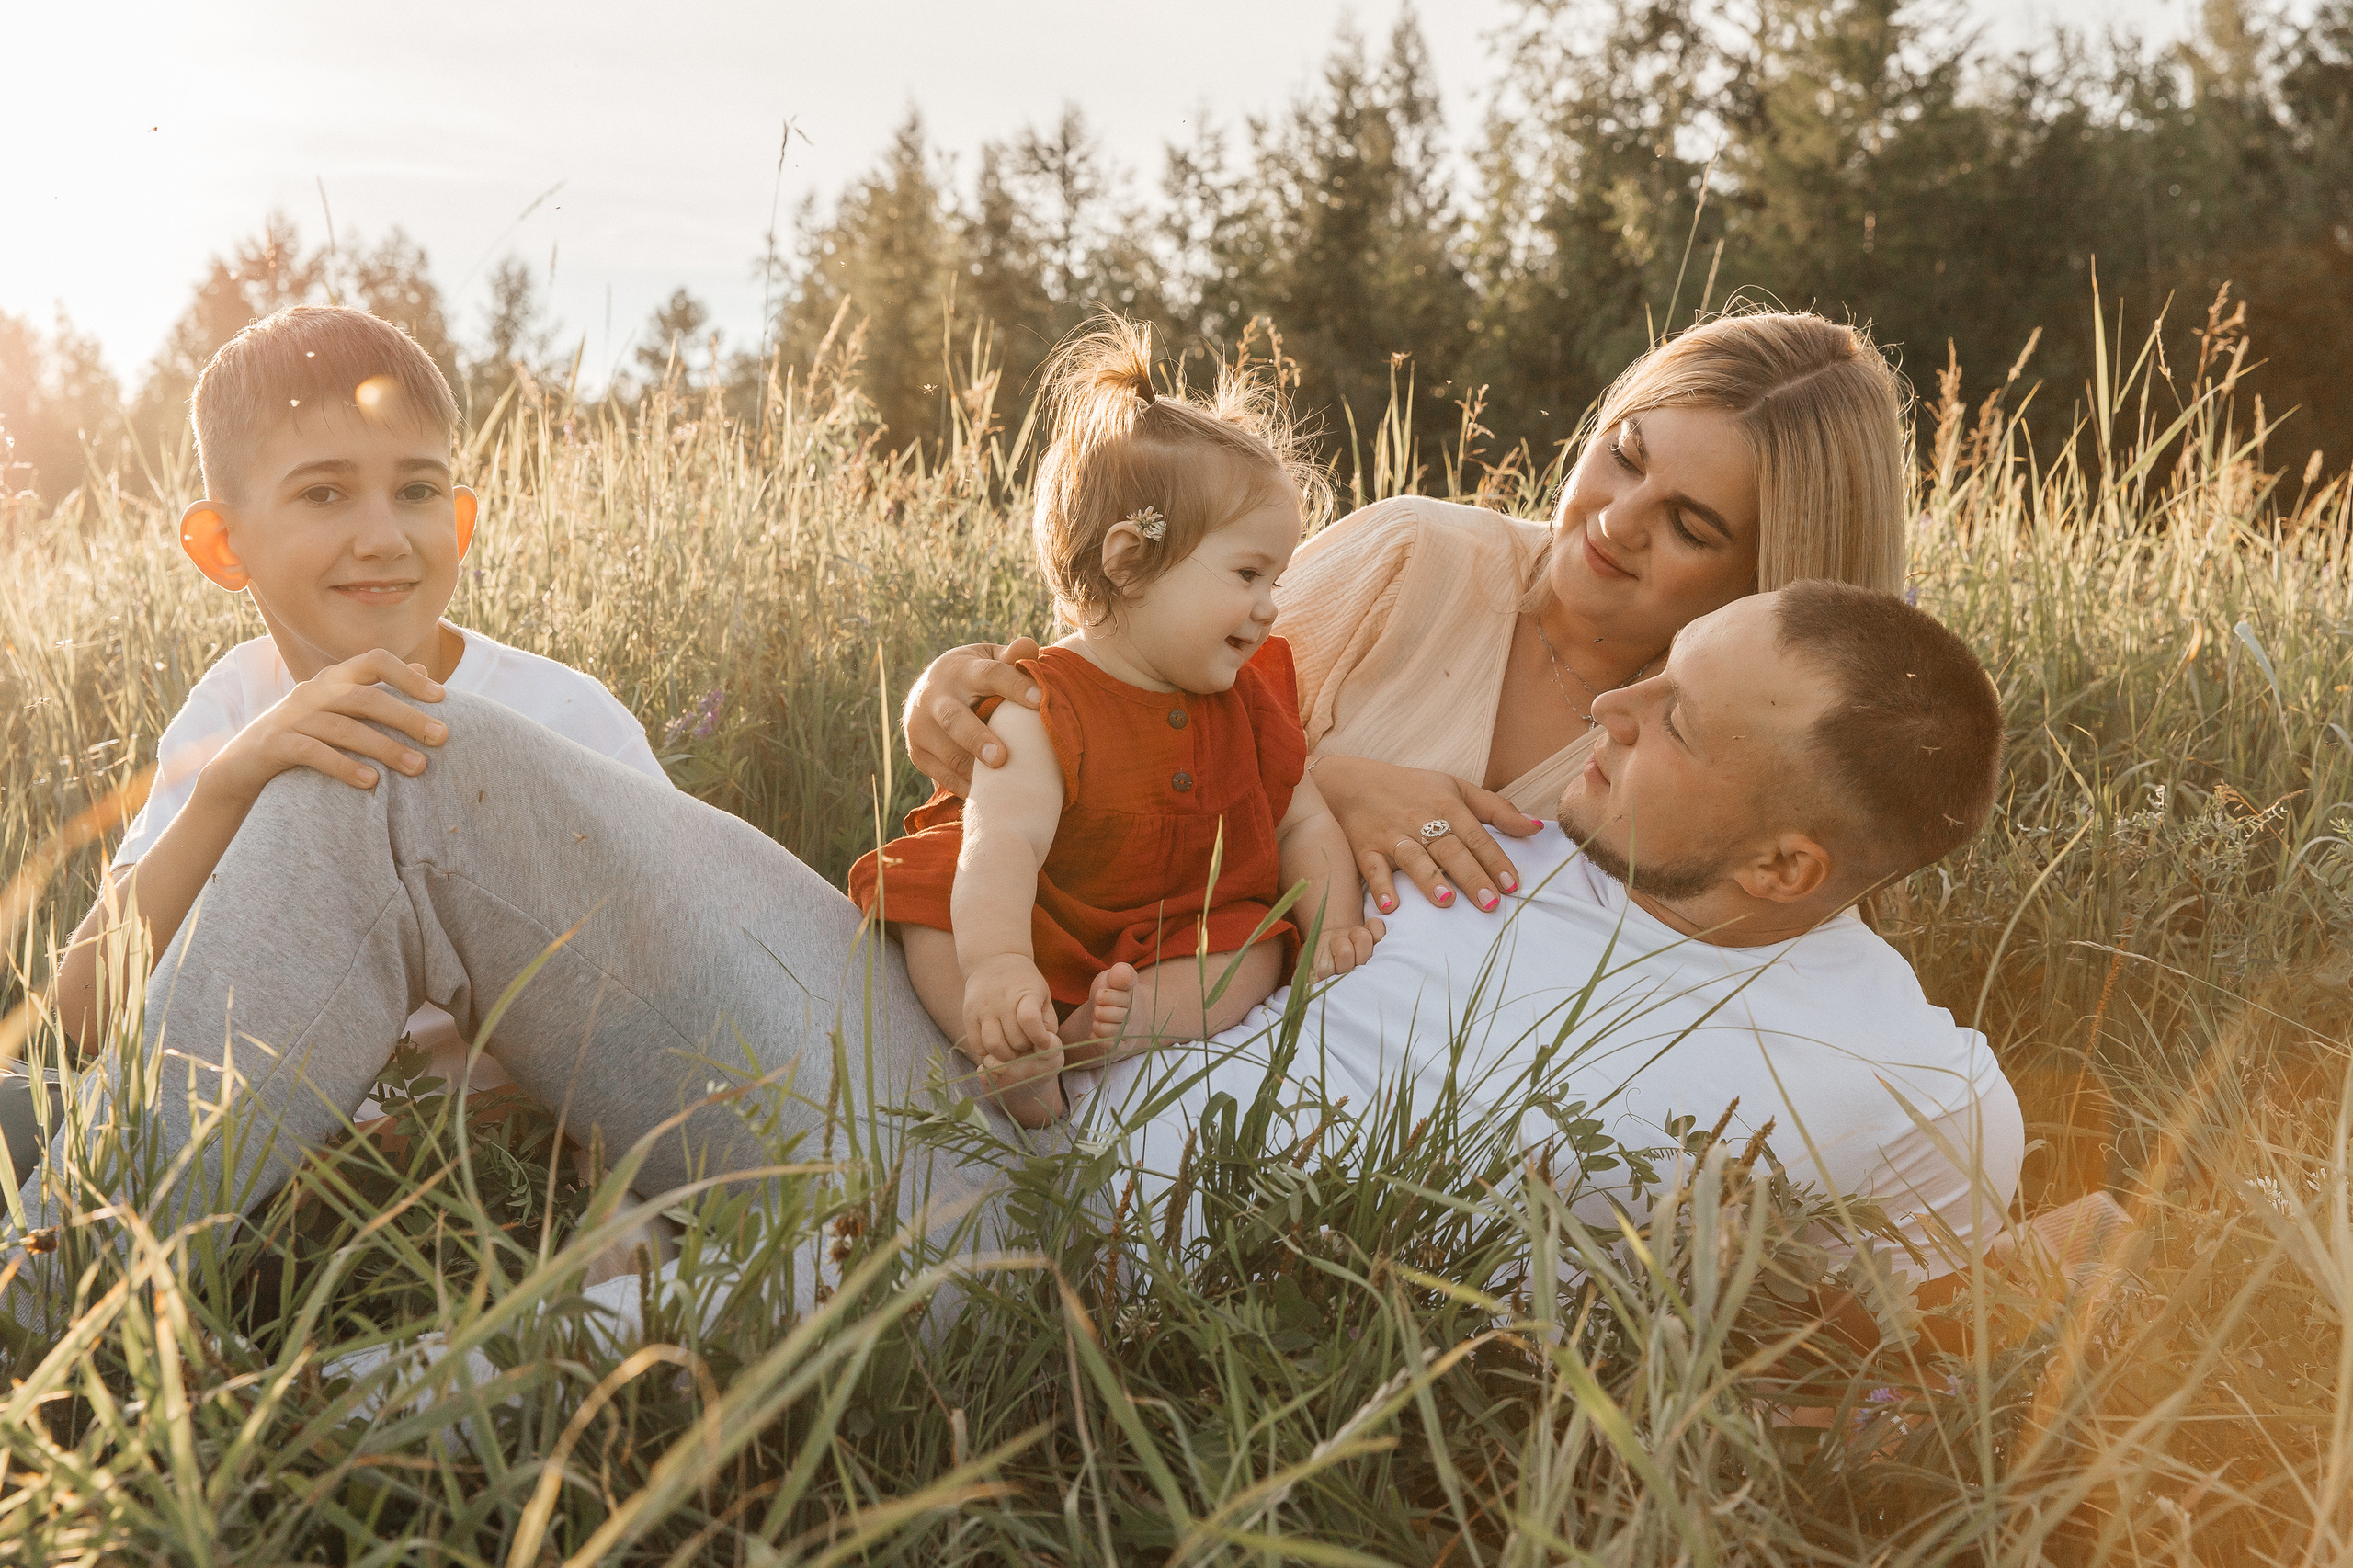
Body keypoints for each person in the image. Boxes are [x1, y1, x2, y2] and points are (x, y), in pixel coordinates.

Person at [6, 582, 2019, 1321]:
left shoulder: (1897, 1085)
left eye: (1672, 718)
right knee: (409, 759)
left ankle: (97, 1400)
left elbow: (1953, 1329)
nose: (1610, 712)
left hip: (1041, 1275)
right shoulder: (1506, 820)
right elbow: (1186, 726)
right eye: (1648, 672)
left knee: (457, 1409)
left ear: (1779, 863)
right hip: (922, 1070)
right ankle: (63, 1271)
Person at [903, 309, 1909, 923]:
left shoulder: (1729, 767)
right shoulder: (1415, 558)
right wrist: (959, 690)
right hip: (1064, 968)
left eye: (1689, 524)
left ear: (1768, 579)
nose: (1614, 517)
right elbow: (1118, 687)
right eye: (1625, 452)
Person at [3, 306, 667, 1185]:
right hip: (248, 1146)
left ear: (461, 523)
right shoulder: (234, 704)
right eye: (324, 493)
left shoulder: (560, 715)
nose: (384, 537)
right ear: (223, 544)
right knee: (18, 1105)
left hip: (476, 1159)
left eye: (418, 491)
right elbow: (85, 1011)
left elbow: (671, 989)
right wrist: (230, 784)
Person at [847, 318, 1376, 1128]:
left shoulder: (1248, 704)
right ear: (1130, 561)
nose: (1270, 608)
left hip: (1164, 931)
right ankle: (1006, 1044)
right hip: (1030, 918)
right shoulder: (1042, 706)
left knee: (1258, 949)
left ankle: (1117, 1032)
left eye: (1276, 578)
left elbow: (1304, 822)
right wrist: (997, 964)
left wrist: (1334, 923)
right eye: (1247, 573)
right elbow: (1004, 846)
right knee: (928, 911)